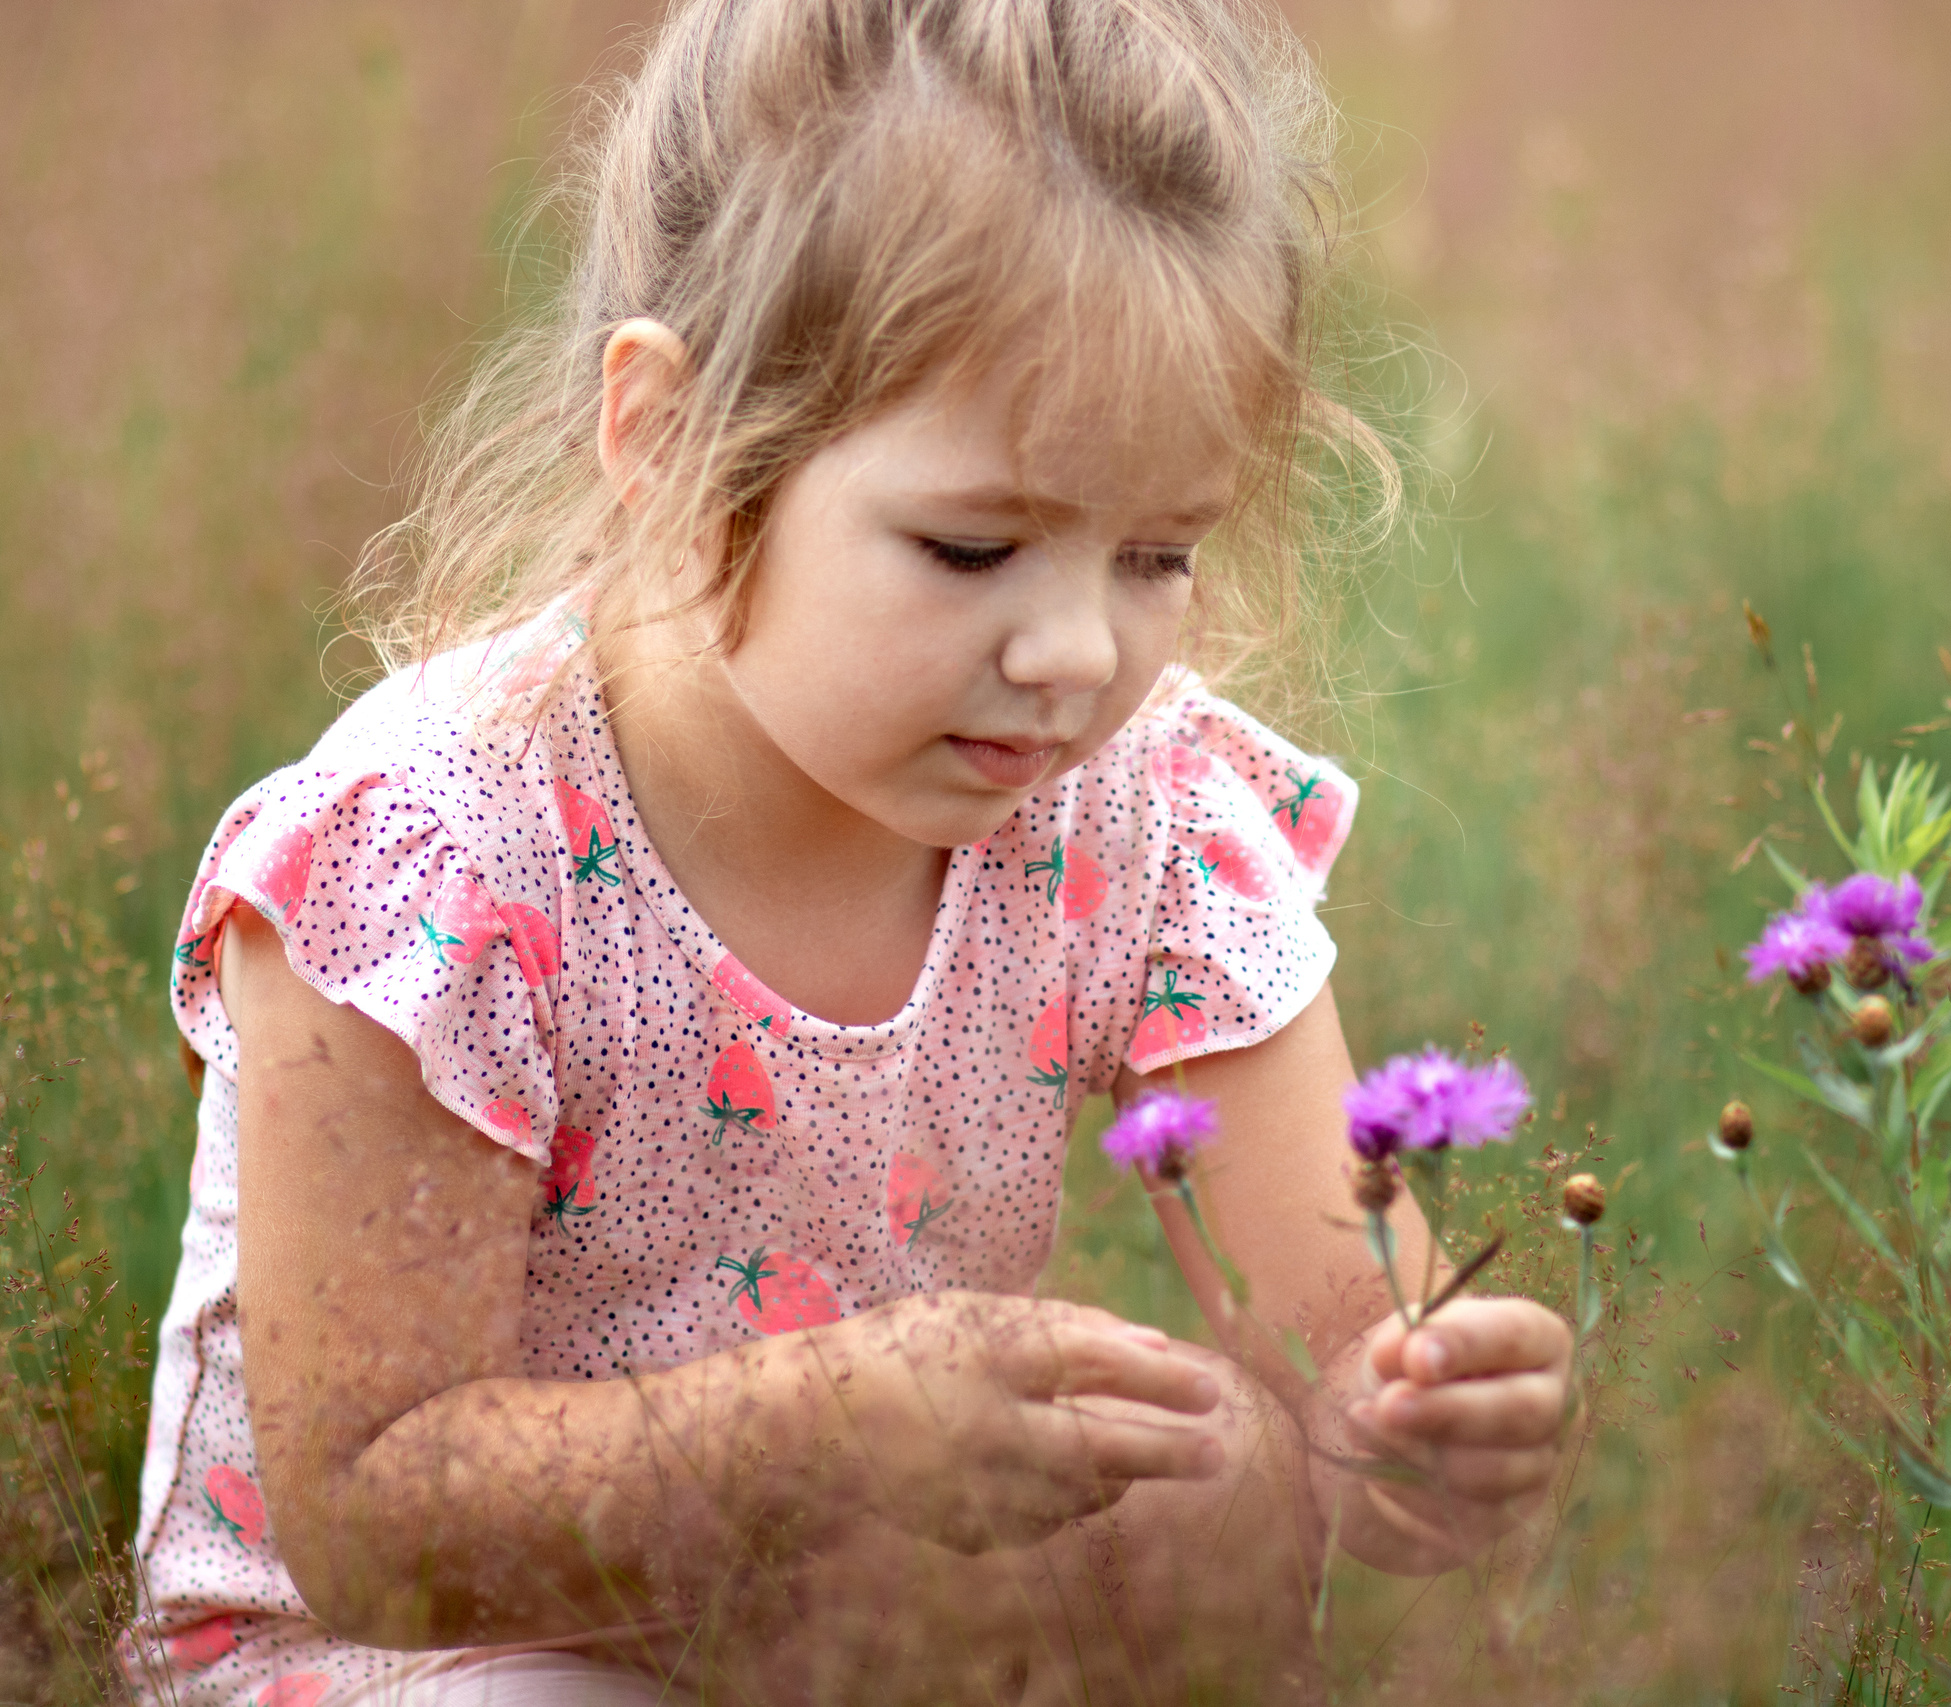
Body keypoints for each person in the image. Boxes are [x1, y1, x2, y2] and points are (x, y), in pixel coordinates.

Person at [124, 1, 1575, 1702]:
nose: (1077, 656)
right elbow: (371, 1525)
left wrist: (1416, 1424)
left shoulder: (1138, 805)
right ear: (671, 443)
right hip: (433, 1654)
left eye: (1159, 554)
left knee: (1219, 1489)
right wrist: (826, 1429)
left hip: (849, 1615)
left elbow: (1336, 1332)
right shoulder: (438, 854)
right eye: (973, 548)